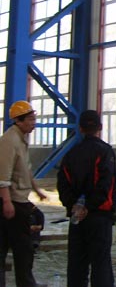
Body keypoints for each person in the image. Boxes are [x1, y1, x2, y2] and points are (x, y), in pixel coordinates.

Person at [57, 110, 116, 287]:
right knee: (100, 264)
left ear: (80, 128)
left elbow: (63, 184)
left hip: (77, 217)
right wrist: (89, 207)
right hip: (99, 216)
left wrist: (74, 206)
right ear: (100, 127)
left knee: (77, 265)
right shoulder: (105, 152)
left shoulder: (71, 154)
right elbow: (105, 185)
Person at [0, 100, 48, 287]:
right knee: (21, 247)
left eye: (34, 119)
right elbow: (3, 176)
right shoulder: (9, 141)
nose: (33, 123)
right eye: (30, 119)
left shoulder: (22, 139)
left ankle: (26, 282)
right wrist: (6, 202)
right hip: (11, 201)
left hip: (19, 200)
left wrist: (36, 190)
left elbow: (25, 169)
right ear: (18, 121)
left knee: (23, 246)